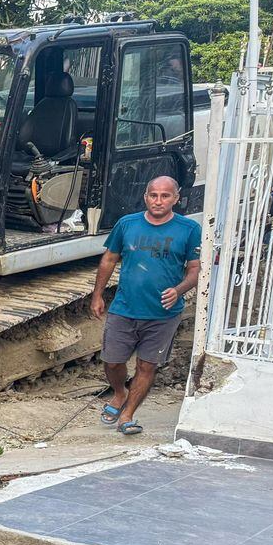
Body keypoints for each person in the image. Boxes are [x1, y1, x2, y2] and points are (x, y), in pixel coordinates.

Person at [89, 175, 201, 436]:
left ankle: (127, 415)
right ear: (145, 197)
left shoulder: (189, 229)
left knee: (146, 366)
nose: (158, 201)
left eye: (165, 196)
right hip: (125, 308)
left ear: (176, 198)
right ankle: (119, 392)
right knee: (113, 361)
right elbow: (109, 259)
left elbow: (195, 270)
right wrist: (97, 294)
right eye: (153, 195)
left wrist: (178, 290)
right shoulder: (127, 224)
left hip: (163, 314)